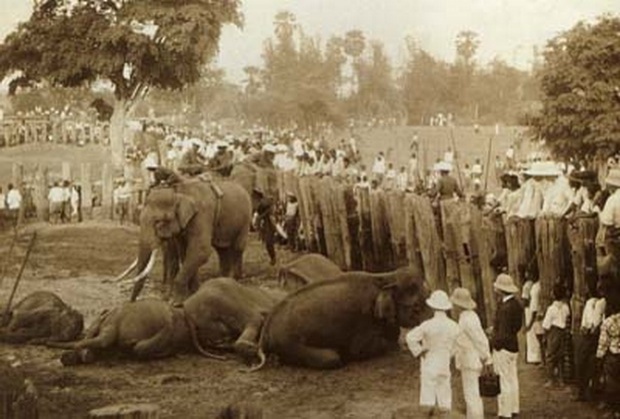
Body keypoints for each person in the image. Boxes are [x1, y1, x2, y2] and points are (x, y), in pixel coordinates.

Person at [406, 290, 459, 417]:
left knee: (427, 396)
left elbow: (410, 337)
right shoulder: (454, 326)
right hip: (444, 363)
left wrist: (419, 351)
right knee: (445, 395)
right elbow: (458, 344)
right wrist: (449, 353)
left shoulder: (427, 325)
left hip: (429, 362)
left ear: (433, 307)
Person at [451, 287, 492, 419]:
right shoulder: (468, 316)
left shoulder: (467, 319)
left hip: (470, 360)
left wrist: (487, 357)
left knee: (472, 395)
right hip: (468, 359)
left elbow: (479, 339)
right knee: (471, 394)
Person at [491, 273, 523, 419]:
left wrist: (493, 343)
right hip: (513, 345)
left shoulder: (504, 308)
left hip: (503, 347)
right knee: (512, 379)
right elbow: (516, 326)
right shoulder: (516, 304)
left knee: (503, 380)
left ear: (501, 290)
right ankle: (514, 408)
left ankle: (505, 412)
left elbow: (502, 334)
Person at [575, 279, 606, 401]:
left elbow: (593, 324)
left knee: (583, 362)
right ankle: (591, 390)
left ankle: (583, 391)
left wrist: (588, 330)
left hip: (591, 336)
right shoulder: (602, 302)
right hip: (595, 334)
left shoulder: (594, 303)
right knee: (593, 364)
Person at [541, 283, 571, 387]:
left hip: (553, 332)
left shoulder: (551, 309)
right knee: (560, 356)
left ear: (553, 294)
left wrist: (545, 335)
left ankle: (551, 380)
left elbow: (546, 325)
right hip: (562, 332)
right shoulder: (566, 307)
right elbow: (567, 317)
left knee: (550, 356)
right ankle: (561, 379)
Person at [523, 273, 543, 364]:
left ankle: (539, 358)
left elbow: (529, 303)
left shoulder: (533, 287)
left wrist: (529, 325)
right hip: (538, 312)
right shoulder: (537, 285)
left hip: (535, 313)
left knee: (538, 337)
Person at [253, 188, 277, 266]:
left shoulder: (264, 203)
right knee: (268, 243)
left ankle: (273, 258)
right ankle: (272, 257)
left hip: (268, 223)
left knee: (269, 242)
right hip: (265, 223)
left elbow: (269, 210)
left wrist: (260, 217)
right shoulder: (262, 203)